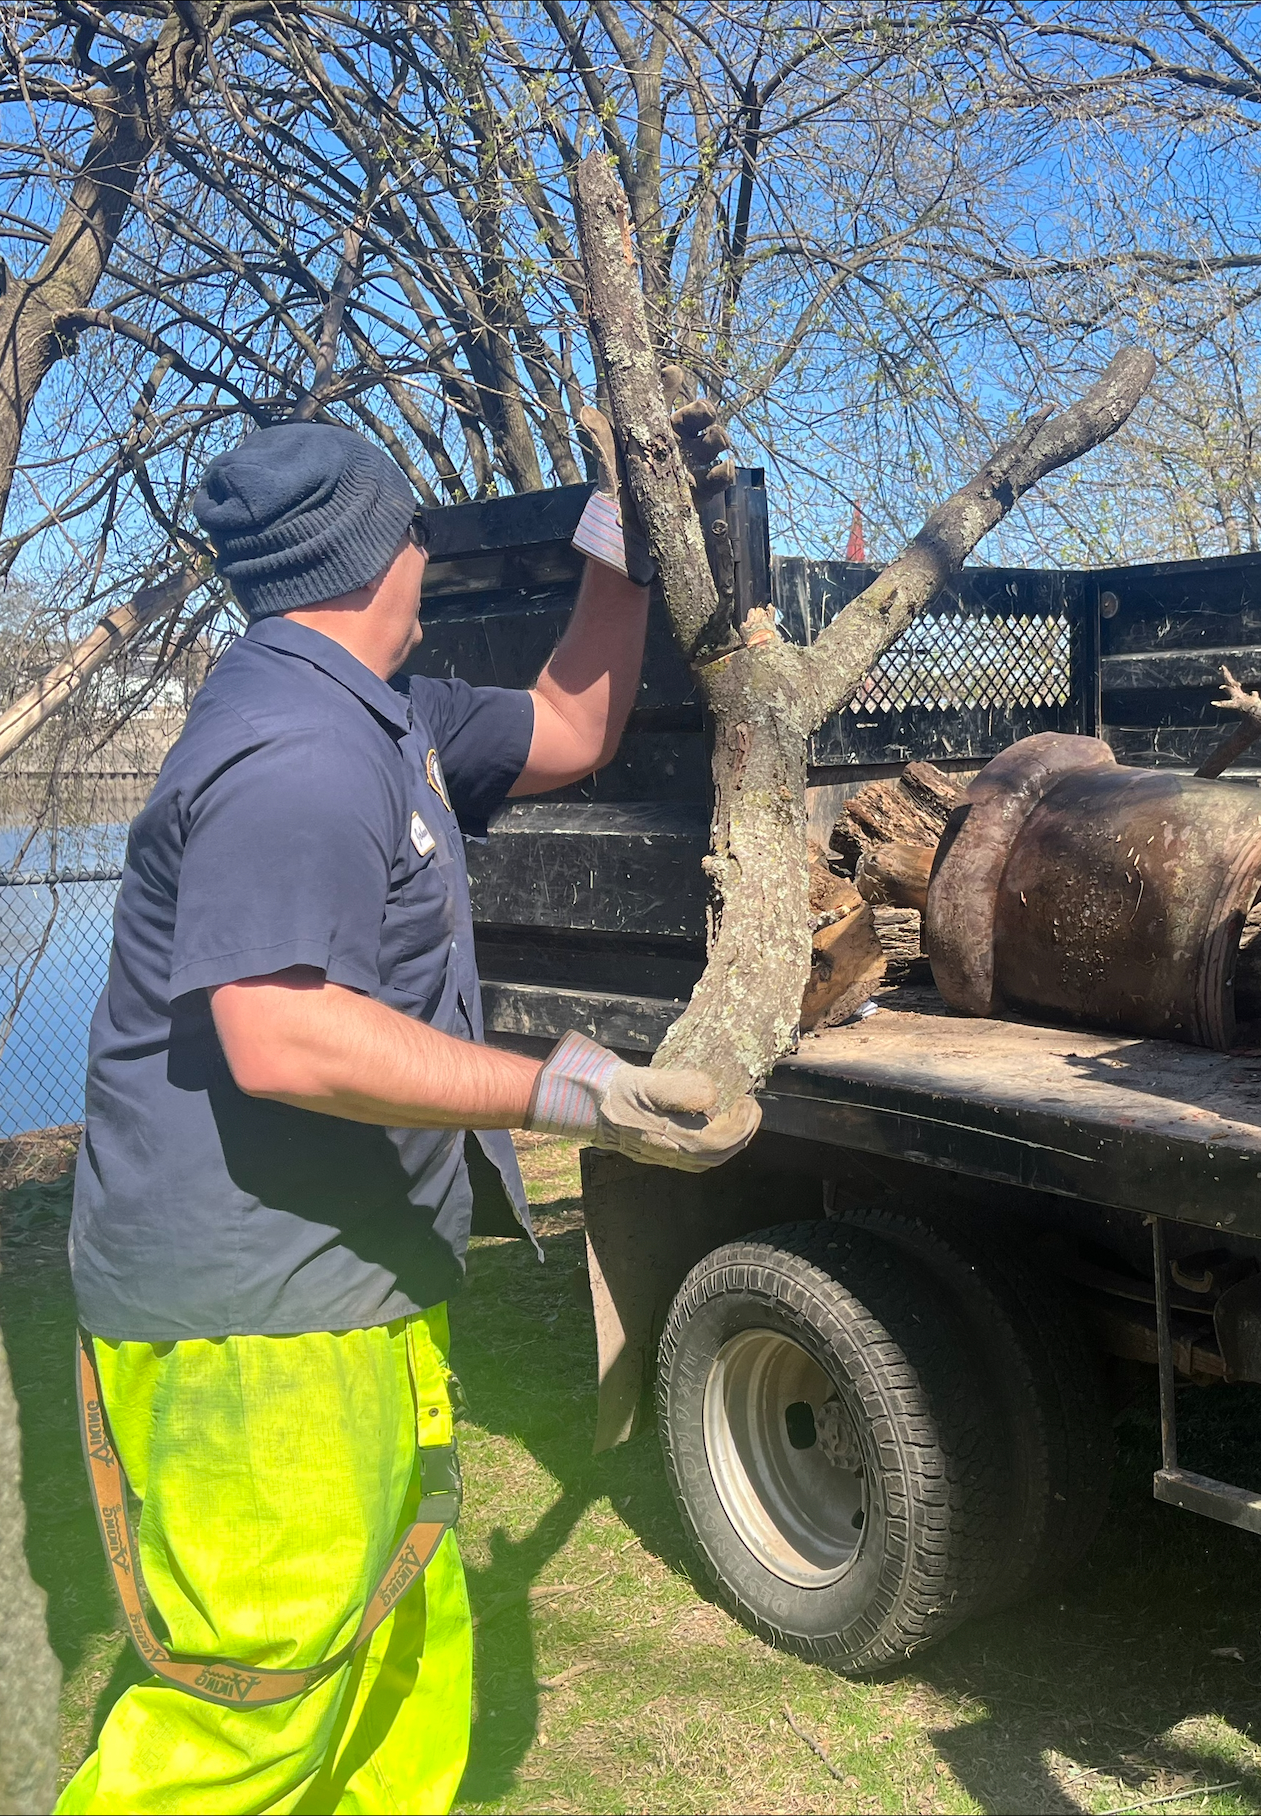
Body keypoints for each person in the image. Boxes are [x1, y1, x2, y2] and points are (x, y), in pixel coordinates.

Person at [55, 409, 753, 1813]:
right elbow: (284, 1033)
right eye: (414, 525)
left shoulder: (383, 714)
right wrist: (562, 1089)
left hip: (352, 1297)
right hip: (250, 1334)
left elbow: (574, 725)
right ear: (390, 550)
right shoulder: (293, 754)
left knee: (394, 1656)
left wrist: (620, 534)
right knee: (255, 1706)